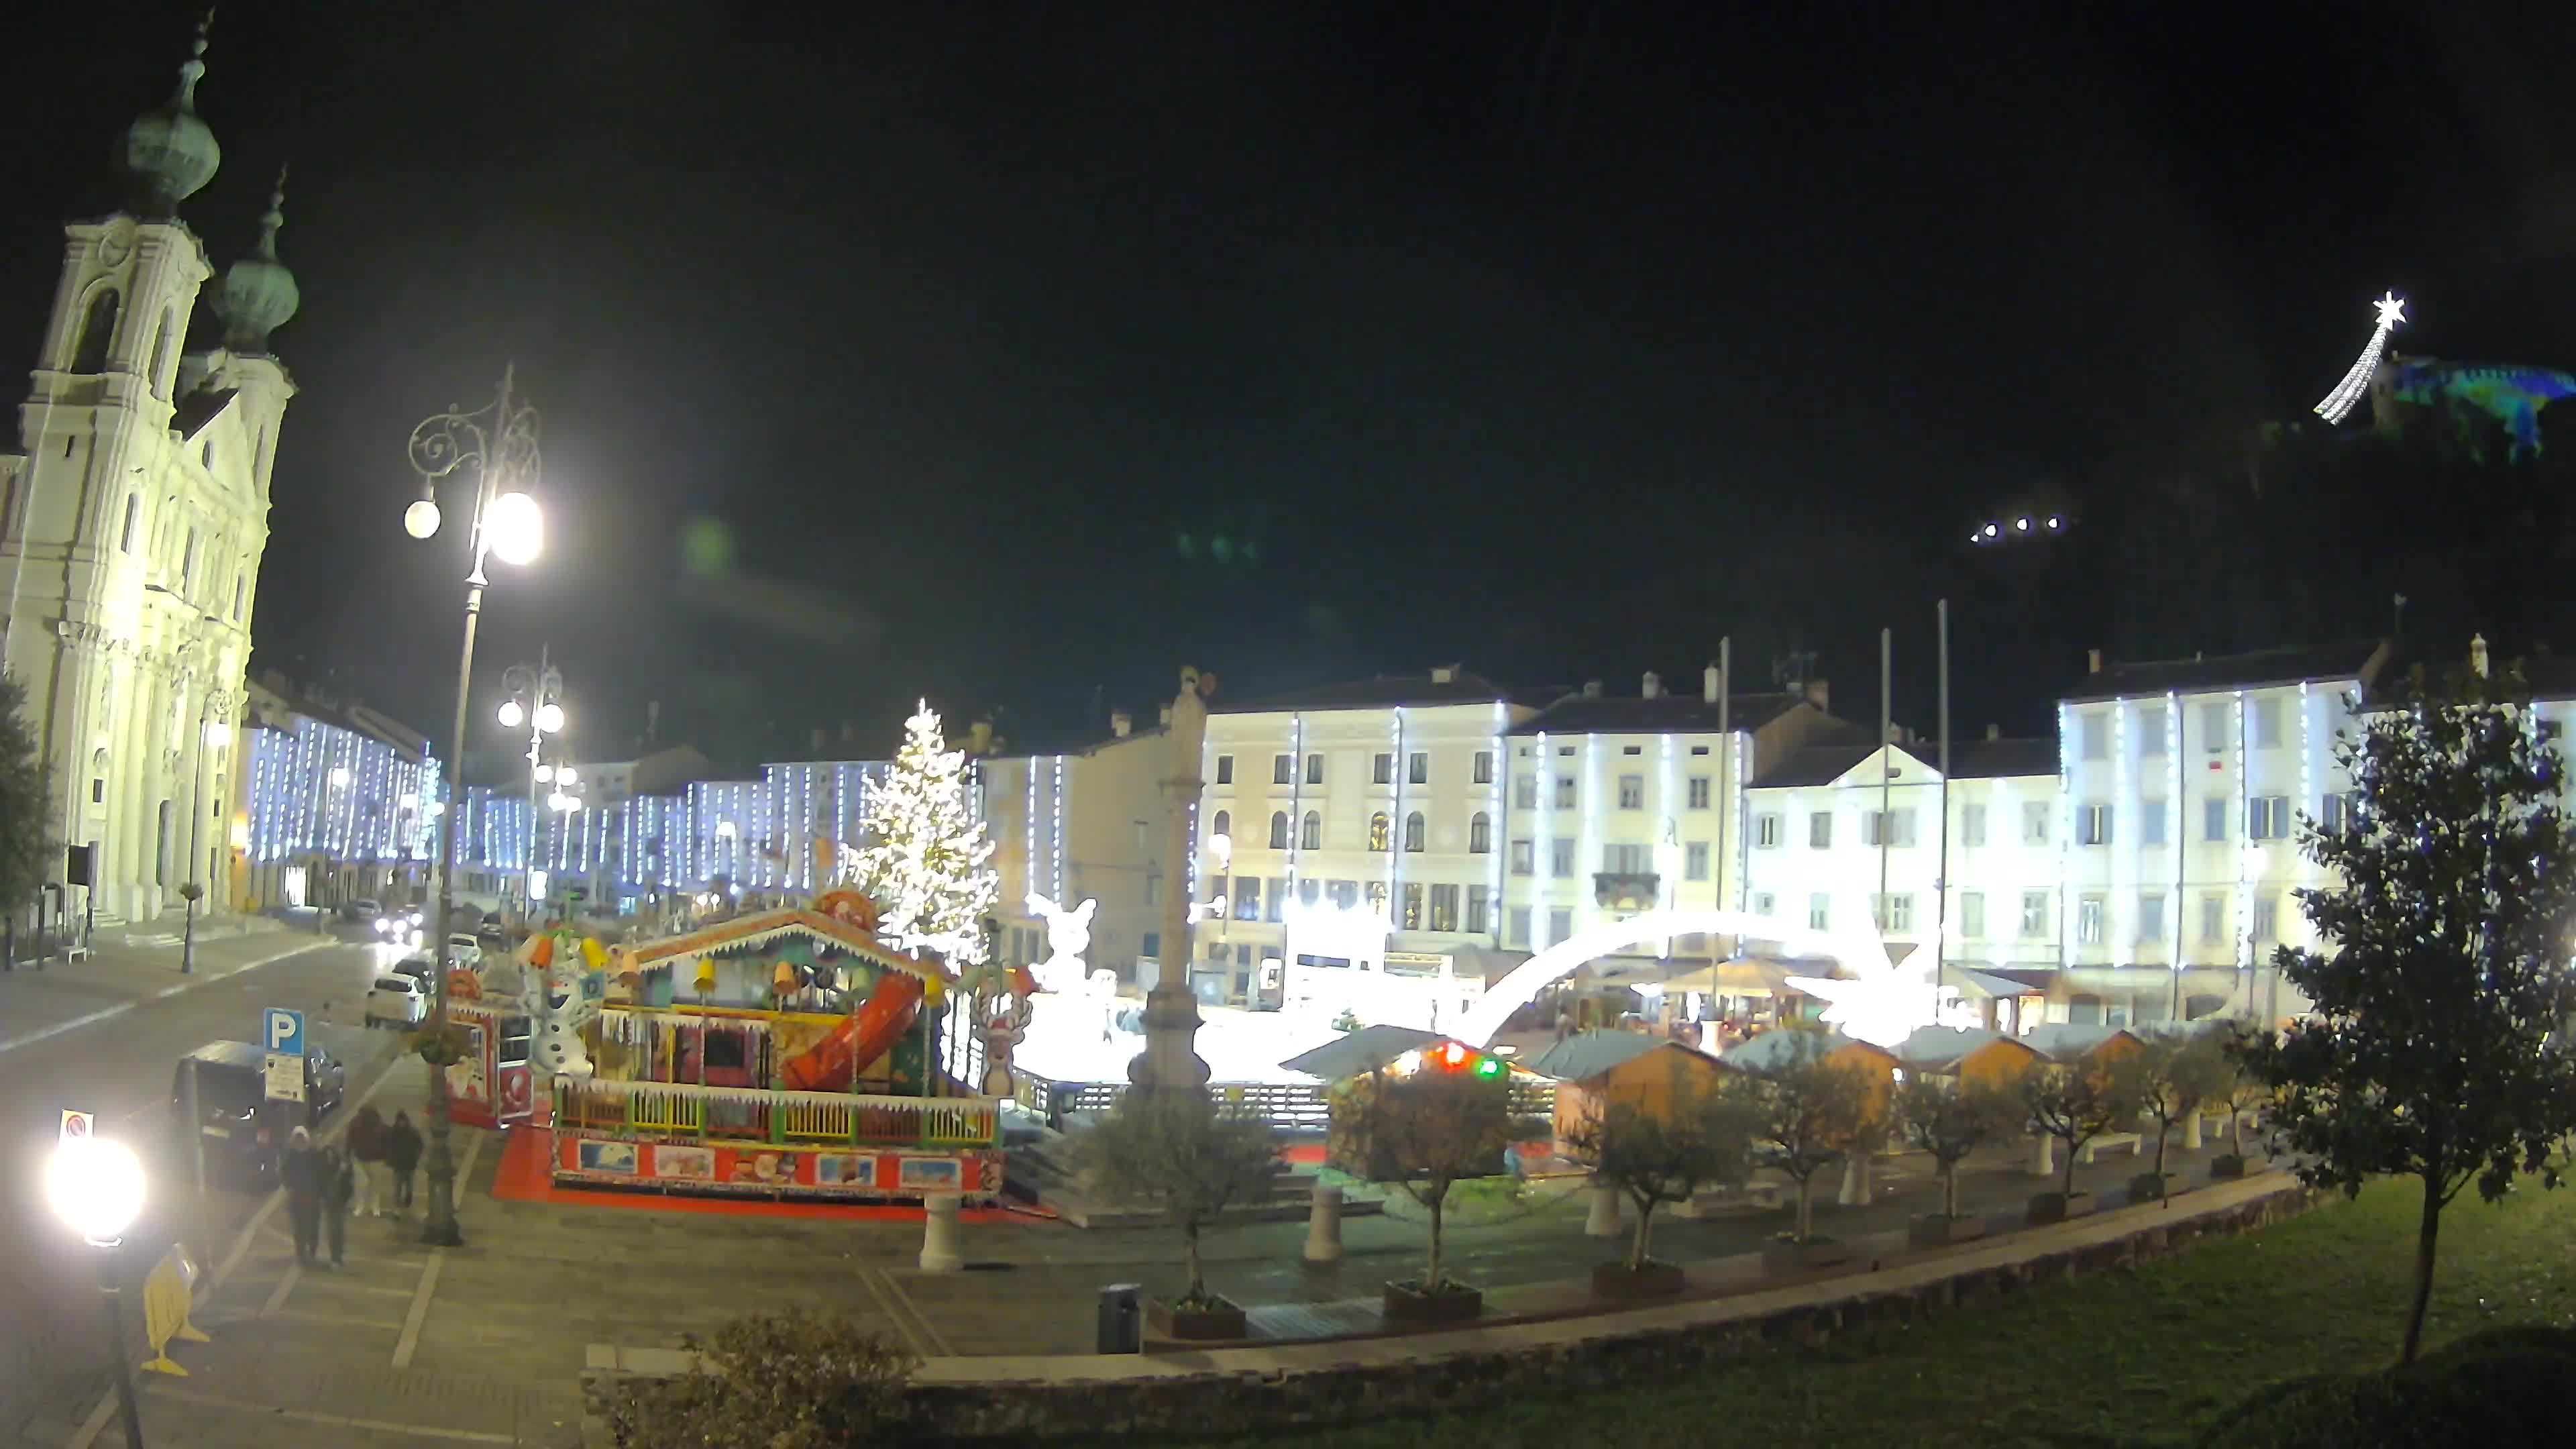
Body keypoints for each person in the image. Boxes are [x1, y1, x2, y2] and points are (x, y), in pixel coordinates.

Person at [280, 1126, 325, 1265]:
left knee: (313, 1225)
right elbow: (284, 1173)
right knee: (298, 1226)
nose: (299, 1142)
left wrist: (320, 1192)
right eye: (297, 1139)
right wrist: (290, 1187)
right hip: (296, 1196)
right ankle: (300, 1252)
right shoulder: (290, 1155)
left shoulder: (314, 1154)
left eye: (301, 1139)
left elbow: (321, 1174)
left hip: (312, 1196)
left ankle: (312, 1250)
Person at [346, 1106, 389, 1217]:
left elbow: (387, 1142)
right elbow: (350, 1139)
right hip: (362, 1158)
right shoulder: (358, 1124)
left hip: (375, 1159)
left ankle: (373, 1208)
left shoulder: (379, 1126)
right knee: (363, 1183)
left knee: (374, 1185)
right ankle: (365, 1207)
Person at [321, 1145, 354, 1269]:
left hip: (340, 1204)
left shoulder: (343, 1168)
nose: (329, 1158)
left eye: (331, 1155)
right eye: (327, 1156)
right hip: (329, 1204)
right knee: (331, 1231)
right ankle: (335, 1257)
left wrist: (345, 1199)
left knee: (339, 1230)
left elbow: (349, 1185)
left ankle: (338, 1254)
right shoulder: (323, 1169)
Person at [386, 1110, 423, 1211]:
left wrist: (416, 1156)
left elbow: (420, 1145)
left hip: (410, 1165)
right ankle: (397, 1208)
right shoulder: (393, 1132)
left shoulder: (413, 1132)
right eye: (400, 1121)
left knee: (409, 1188)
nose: (401, 1123)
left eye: (403, 1121)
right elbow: (389, 1147)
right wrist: (391, 1159)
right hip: (398, 1166)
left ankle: (408, 1200)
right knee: (397, 1188)